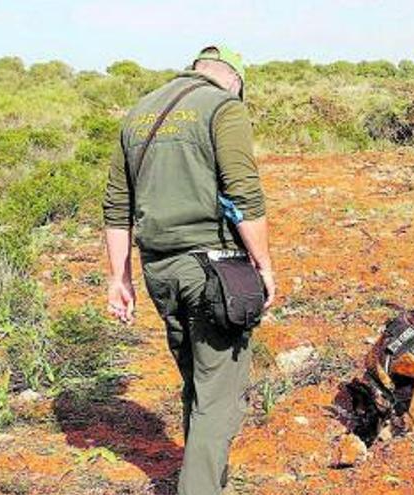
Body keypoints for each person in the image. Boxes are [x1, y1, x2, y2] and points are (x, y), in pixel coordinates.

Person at [103, 45, 276, 495]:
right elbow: (244, 196)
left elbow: (117, 205)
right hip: (214, 272)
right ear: (235, 80)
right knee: (219, 398)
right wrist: (264, 264)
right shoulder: (224, 108)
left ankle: (207, 480)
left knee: (198, 383)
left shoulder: (139, 112)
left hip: (158, 270)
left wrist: (118, 278)